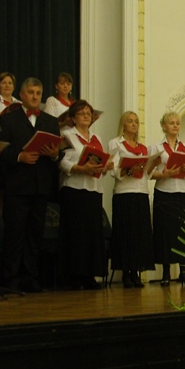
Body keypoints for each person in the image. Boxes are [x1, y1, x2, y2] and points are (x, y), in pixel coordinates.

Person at [0, 78, 62, 293]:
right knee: (14, 233)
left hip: (41, 185)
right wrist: (19, 156)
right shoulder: (8, 120)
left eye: (38, 93)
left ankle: (31, 276)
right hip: (17, 185)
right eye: (31, 92)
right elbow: (1, 150)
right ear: (22, 95)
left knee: (35, 234)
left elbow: (57, 153)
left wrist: (54, 154)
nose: (35, 96)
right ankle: (11, 277)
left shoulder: (50, 121)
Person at [58, 100, 112, 290]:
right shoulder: (67, 135)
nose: (86, 116)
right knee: (75, 233)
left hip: (94, 189)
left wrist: (105, 167)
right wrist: (80, 168)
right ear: (73, 118)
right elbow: (61, 162)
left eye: (89, 113)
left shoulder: (96, 138)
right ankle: (73, 276)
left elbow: (100, 161)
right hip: (74, 188)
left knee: (91, 234)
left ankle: (89, 275)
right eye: (82, 113)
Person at [108, 111, 156, 288]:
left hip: (141, 191)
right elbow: (113, 169)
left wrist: (153, 163)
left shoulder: (143, 147)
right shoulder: (115, 143)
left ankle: (136, 271)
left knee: (139, 233)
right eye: (130, 121)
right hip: (124, 192)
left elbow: (147, 173)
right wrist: (128, 170)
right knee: (125, 232)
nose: (134, 124)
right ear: (123, 124)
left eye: (136, 121)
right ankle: (126, 272)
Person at [151, 111, 185, 286]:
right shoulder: (156, 148)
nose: (175, 125)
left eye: (177, 123)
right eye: (171, 123)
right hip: (165, 192)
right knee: (166, 232)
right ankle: (166, 272)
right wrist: (164, 174)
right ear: (164, 126)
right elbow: (148, 173)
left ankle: (183, 271)